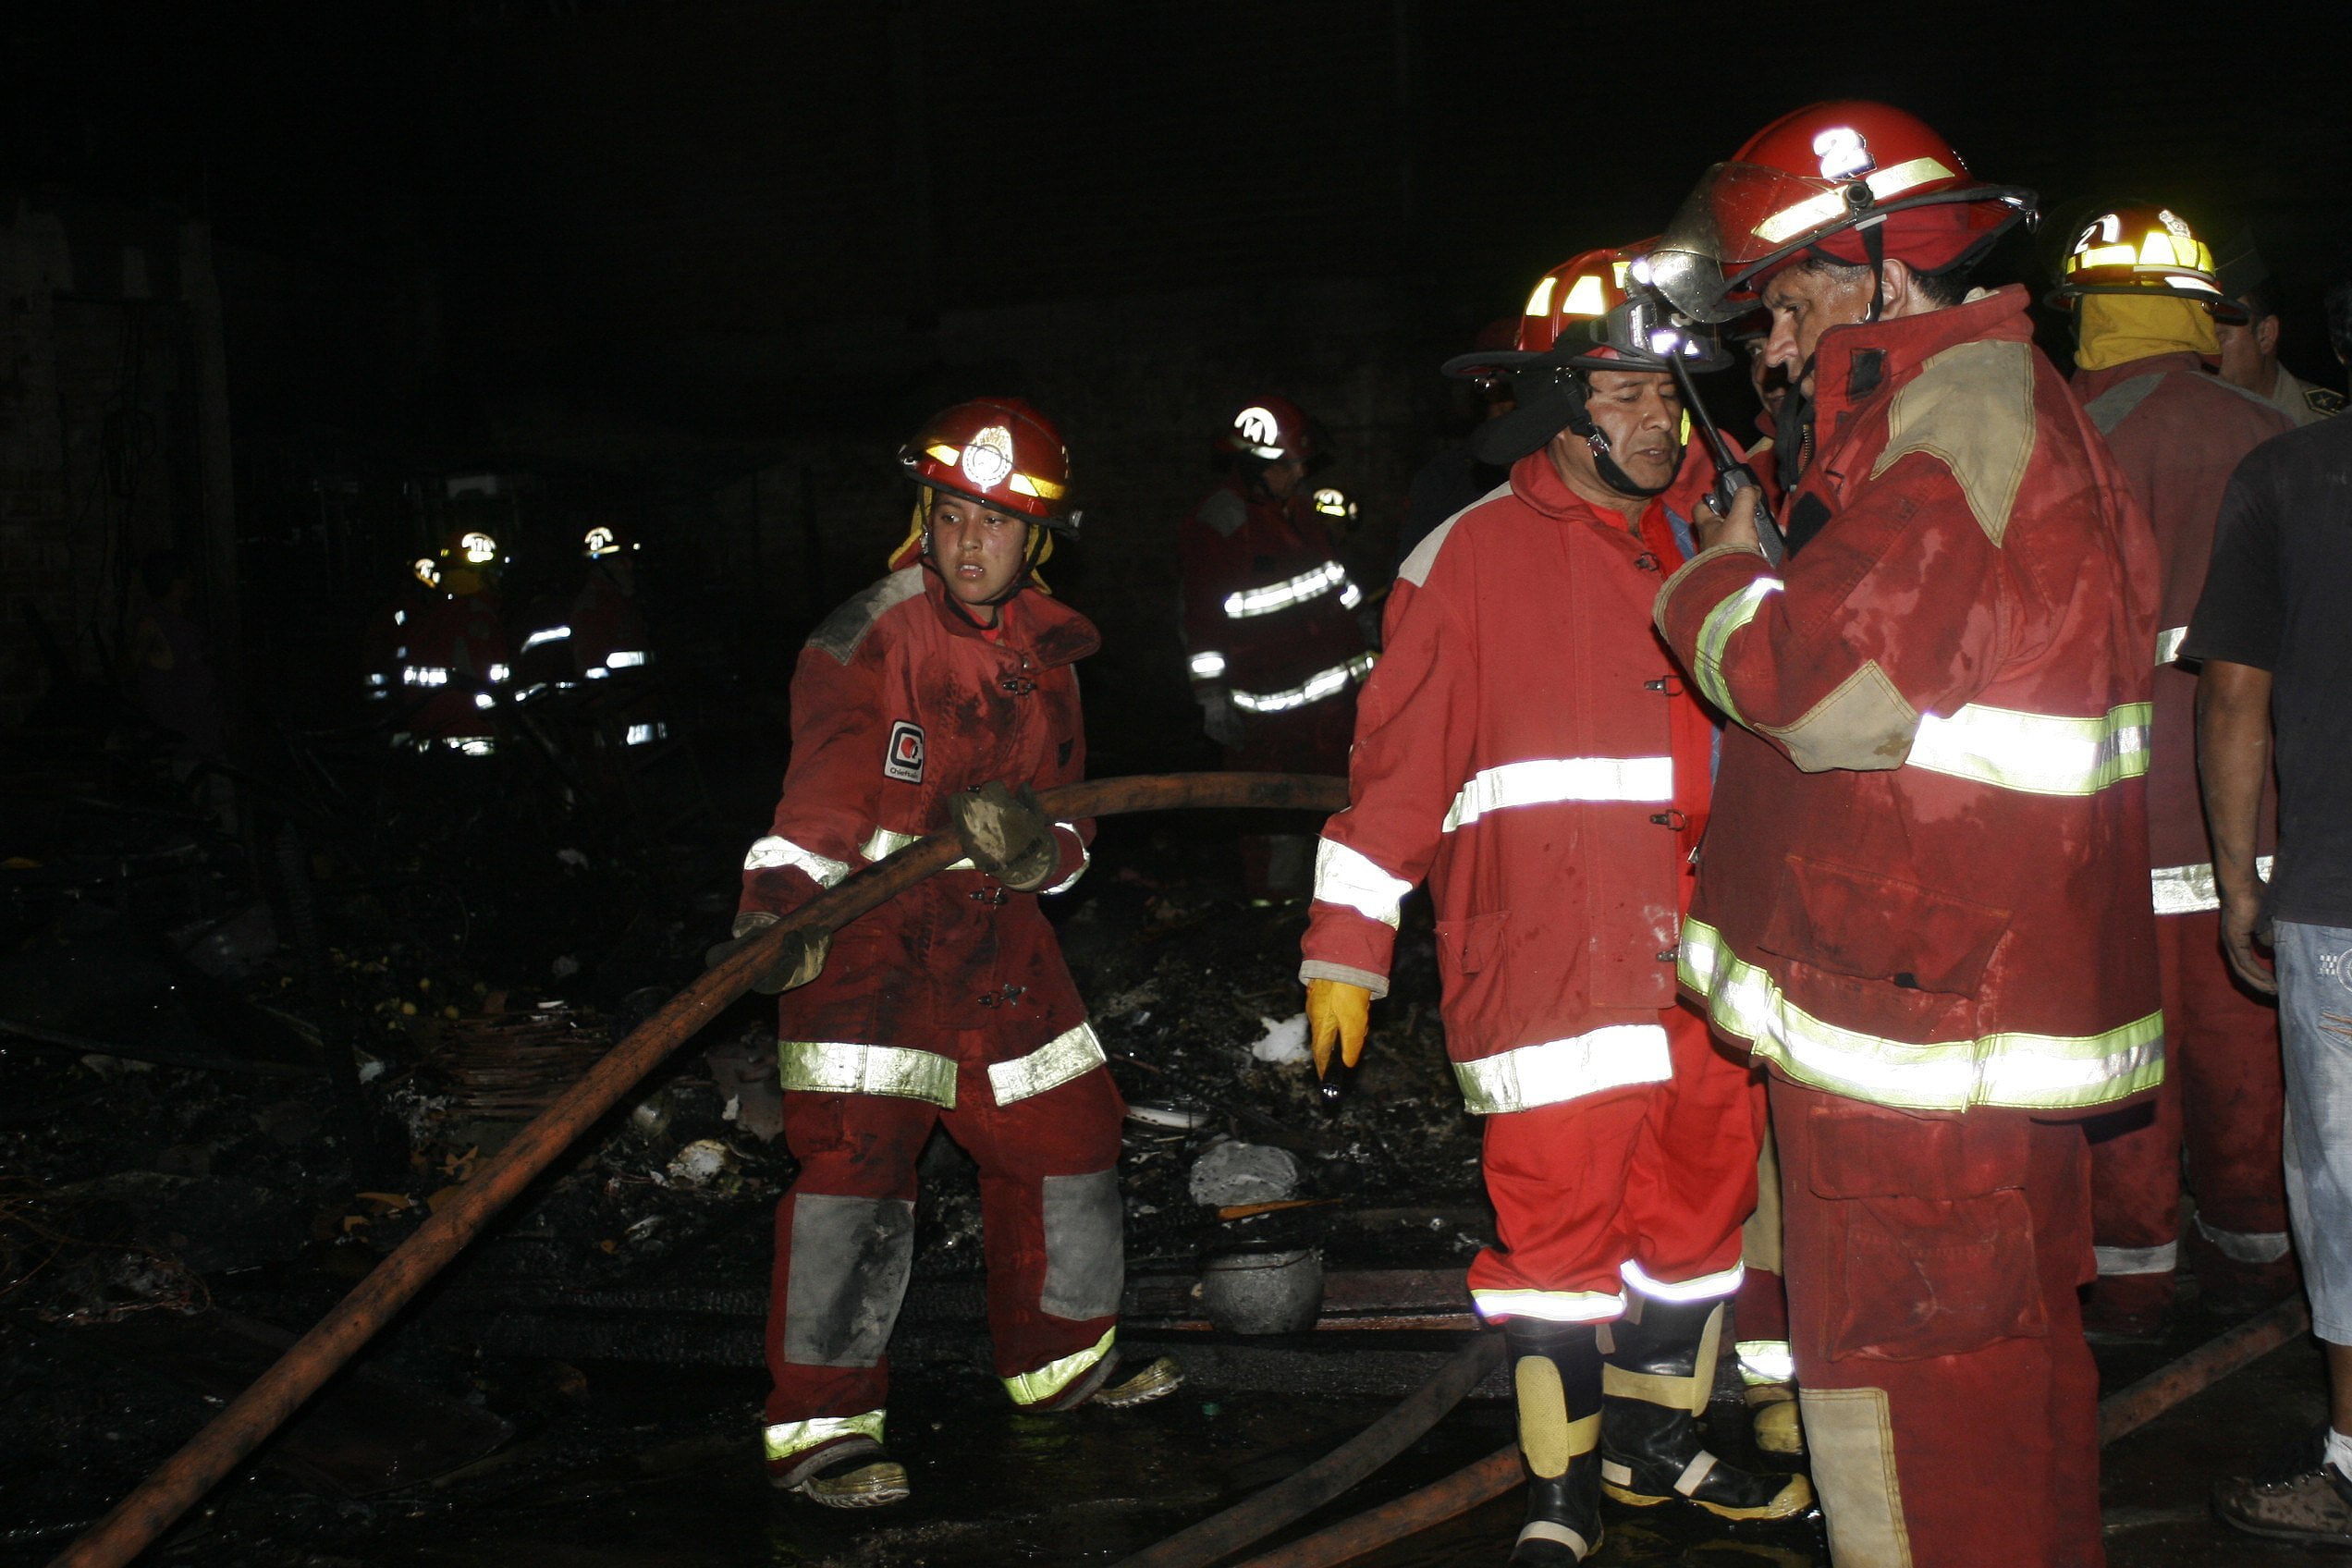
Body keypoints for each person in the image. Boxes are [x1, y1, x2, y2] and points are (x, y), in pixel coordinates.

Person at [1646, 102, 2162, 1568]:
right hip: (1940, 1001)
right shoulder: (1945, 408)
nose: (1776, 338)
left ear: (1876, 268)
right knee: (2002, 1384)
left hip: (1923, 1021)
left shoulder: (1965, 409)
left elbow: (1838, 693)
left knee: (1919, 1410)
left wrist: (1717, 584)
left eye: (1792, 298)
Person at [1300, 245, 1808, 1565]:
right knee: (1557, 1236)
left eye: (1667, 395)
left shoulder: (1730, 530)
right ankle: (1558, 1489)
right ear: (1553, 406)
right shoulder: (1465, 563)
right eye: (1623, 396)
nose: (1654, 424)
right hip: (1547, 962)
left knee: (1695, 1230)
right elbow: (1395, 776)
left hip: (1706, 959)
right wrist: (1346, 948)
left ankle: (1651, 1449)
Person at [720, 397, 1180, 1509]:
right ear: (924, 516)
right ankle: (821, 1424)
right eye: (955, 516)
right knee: (857, 1168)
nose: (973, 542)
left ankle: (1062, 1363)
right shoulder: (867, 635)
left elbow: (1074, 818)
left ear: (1037, 540)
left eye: (999, 522)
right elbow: (823, 790)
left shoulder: (1051, 650)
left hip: (997, 939)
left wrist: (1044, 856)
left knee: (1071, 1130)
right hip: (867, 941)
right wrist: (778, 906)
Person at [2048, 203, 2298, 1335]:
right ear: (2198, 313)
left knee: (2119, 1060)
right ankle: (2256, 1265)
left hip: (2090, 817)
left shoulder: (2047, 438)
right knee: (2252, 1049)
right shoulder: (2266, 433)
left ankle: (2130, 1281)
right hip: (2248, 814)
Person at [2195, 280, 2352, 1544]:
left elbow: (2234, 699)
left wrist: (2240, 879)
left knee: (2350, 1192)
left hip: (2342, 901)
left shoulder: (2291, 478)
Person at [1178, 396, 1372, 899]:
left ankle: (1335, 914)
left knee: (1342, 815)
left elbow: (1333, 579)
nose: (1301, 472)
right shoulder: (1219, 524)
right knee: (1274, 822)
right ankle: (1269, 922)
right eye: (1290, 464)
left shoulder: (1299, 507)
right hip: (1269, 715)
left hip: (1335, 709)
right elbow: (1201, 624)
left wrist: (1368, 626)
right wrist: (1213, 698)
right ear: (1254, 467)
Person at [395, 525, 512, 757]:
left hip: (429, 734)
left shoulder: (431, 616)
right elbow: (489, 677)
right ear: (486, 576)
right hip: (475, 732)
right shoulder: (479, 615)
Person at [2214, 243, 2346, 427]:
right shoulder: (2188, 418)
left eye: (2219, 337)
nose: (2205, 350)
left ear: (2266, 334)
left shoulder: (2327, 422)